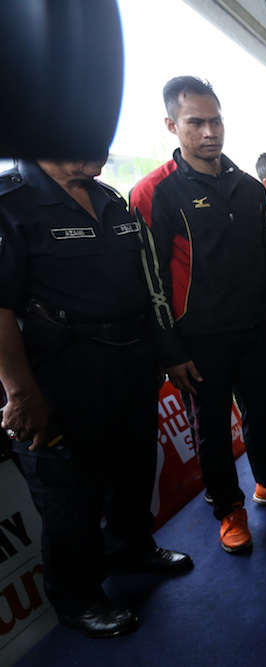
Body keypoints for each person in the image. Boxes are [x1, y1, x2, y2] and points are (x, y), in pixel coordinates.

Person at [0, 154, 192, 638]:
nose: (98, 148)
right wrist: (20, 393)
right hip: (60, 371)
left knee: (133, 468)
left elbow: (144, 283)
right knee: (69, 493)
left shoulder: (107, 198)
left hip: (129, 360)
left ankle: (131, 549)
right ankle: (77, 597)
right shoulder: (10, 202)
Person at [131, 76, 266, 555]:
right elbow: (151, 282)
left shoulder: (247, 186)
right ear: (172, 125)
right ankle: (229, 509)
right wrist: (170, 350)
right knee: (211, 431)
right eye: (196, 122)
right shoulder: (153, 192)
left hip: (258, 327)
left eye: (216, 120)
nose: (210, 132)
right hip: (200, 337)